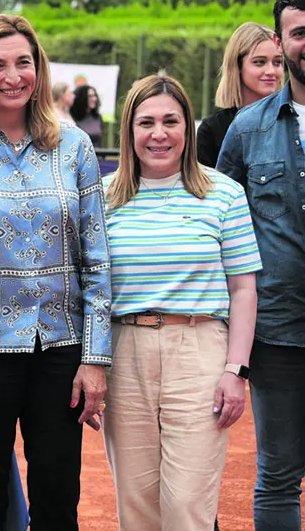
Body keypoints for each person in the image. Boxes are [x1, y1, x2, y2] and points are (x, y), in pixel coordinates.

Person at [0, 14, 111, 531]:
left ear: (39, 69)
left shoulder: (74, 147)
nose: (13, 76)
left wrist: (95, 358)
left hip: (60, 348)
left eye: (23, 63)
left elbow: (96, 258)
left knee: (57, 497)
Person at [102, 74, 260, 531]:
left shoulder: (223, 193)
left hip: (200, 348)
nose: (159, 134)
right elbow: (89, 288)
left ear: (187, 128)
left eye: (171, 121)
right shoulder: (102, 198)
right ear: (128, 132)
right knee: (136, 506)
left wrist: (236, 370)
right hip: (123, 350)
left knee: (188, 507)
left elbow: (243, 289)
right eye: (146, 122)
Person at [217, 0, 305, 531]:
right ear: (282, 38)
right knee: (278, 474)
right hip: (279, 334)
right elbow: (218, 232)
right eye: (300, 32)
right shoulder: (247, 131)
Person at [197, 22, 281, 168]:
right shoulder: (212, 129)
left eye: (277, 62)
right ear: (237, 66)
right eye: (260, 62)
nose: (271, 71)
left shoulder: (293, 120)